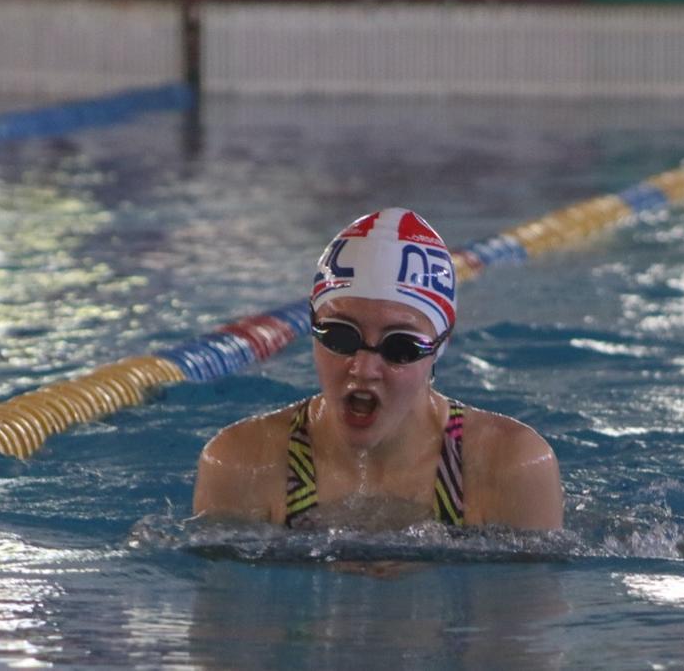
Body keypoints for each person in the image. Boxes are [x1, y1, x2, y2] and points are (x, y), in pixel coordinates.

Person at [193, 208, 564, 531]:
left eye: (399, 346)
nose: (363, 368)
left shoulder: (509, 467)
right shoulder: (241, 463)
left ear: (439, 347)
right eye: (340, 336)